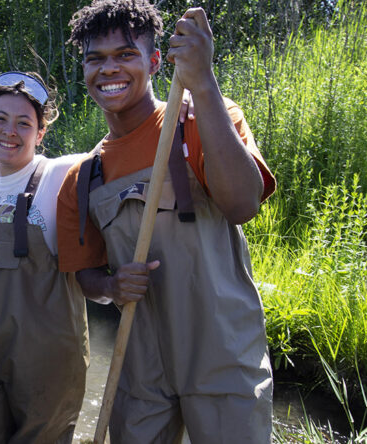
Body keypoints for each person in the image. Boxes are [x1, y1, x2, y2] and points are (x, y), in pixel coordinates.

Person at [57, 1, 278, 443]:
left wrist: (204, 83)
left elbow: (242, 205)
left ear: (155, 61)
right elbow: (85, 275)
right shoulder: (83, 178)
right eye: (95, 59)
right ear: (83, 71)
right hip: (139, 369)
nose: (109, 69)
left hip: (224, 358)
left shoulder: (202, 117)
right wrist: (111, 287)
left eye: (125, 55)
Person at [0, 72, 89, 443]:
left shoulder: (59, 173)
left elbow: (120, 147)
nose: (9, 131)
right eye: (0, 119)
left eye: (24, 123)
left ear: (41, 133)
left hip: (46, 365)